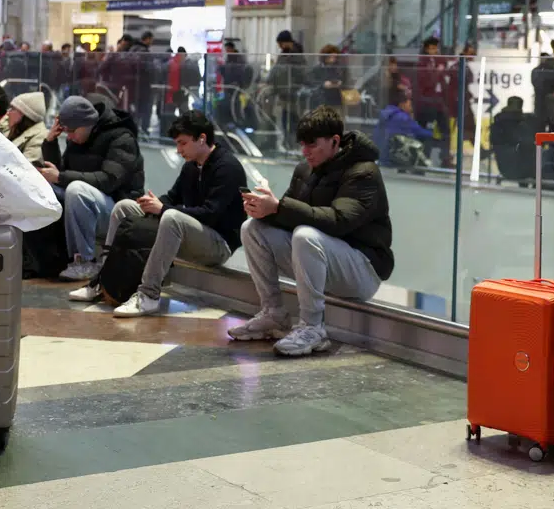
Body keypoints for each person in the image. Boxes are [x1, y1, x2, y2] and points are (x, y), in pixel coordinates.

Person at [231, 107, 394, 356]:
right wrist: (265, 209)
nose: (305, 151)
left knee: (305, 235)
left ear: (335, 141)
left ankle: (313, 328)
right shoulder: (305, 169)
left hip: (363, 269)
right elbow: (287, 215)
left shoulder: (363, 173)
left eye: (312, 145)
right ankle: (273, 313)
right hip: (322, 261)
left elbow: (339, 221)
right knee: (252, 229)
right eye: (302, 145)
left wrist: (279, 207)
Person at [98, 111, 248, 316]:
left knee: (171, 217)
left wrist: (163, 209)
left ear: (202, 139)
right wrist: (150, 204)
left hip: (218, 244)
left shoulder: (228, 168)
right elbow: (172, 197)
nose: (178, 150)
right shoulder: (191, 167)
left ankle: (148, 295)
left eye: (182, 143)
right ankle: (103, 280)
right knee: (124, 207)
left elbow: (211, 214)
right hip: (193, 233)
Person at [40, 95, 145, 280]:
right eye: (66, 132)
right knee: (46, 188)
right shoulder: (77, 139)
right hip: (92, 206)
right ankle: (47, 257)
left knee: (76, 190)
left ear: (87, 123)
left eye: (72, 131)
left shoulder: (121, 138)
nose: (69, 136)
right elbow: (62, 174)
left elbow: (108, 180)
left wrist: (61, 177)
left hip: (119, 211)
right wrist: (50, 143)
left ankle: (85, 262)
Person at [375, 91, 433, 169]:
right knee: (420, 143)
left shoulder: (386, 114)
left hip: (381, 156)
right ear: (402, 104)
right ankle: (420, 171)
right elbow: (420, 132)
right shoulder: (402, 118)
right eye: (409, 105)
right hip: (392, 157)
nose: (411, 107)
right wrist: (435, 134)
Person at [5, 91, 49, 163]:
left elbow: (25, 169)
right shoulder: (13, 131)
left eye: (13, 109)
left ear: (25, 114)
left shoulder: (40, 138)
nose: (8, 113)